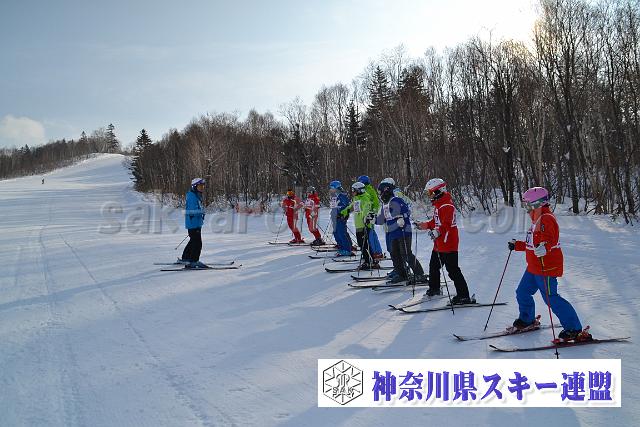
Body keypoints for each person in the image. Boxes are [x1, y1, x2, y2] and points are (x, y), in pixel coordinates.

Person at [508, 186, 590, 341]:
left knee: (551, 298)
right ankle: (527, 319)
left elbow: (550, 238)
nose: (526, 207)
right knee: (522, 292)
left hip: (546, 267)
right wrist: (517, 245)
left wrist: (545, 247)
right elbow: (532, 244)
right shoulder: (536, 219)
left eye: (527, 204)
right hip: (533, 267)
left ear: (537, 203)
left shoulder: (547, 218)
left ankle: (574, 329)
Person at [416, 178, 472, 304]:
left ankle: (464, 296)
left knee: (453, 270)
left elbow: (446, 225)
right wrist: (424, 225)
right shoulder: (439, 205)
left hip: (448, 243)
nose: (430, 196)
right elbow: (435, 222)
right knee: (433, 266)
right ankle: (434, 288)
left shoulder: (447, 205)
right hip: (439, 244)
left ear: (439, 191)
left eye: (431, 193)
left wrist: (437, 232)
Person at [377, 180, 425, 283]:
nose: (380, 194)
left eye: (380, 192)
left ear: (386, 190)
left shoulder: (396, 200)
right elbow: (381, 220)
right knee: (395, 255)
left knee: (406, 254)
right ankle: (402, 274)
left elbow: (407, 211)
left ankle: (419, 274)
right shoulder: (385, 204)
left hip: (403, 231)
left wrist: (402, 217)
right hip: (392, 233)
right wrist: (372, 219)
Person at [341, 182, 378, 270]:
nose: (352, 192)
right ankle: (368, 260)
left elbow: (366, 209)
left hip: (364, 225)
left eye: (354, 190)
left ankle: (369, 261)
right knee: (361, 244)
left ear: (358, 190)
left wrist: (366, 219)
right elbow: (350, 207)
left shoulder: (365, 198)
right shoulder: (356, 198)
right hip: (358, 225)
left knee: (364, 244)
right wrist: (343, 212)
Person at [181, 177, 207, 268]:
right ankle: (193, 261)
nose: (202, 187)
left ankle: (186, 258)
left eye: (203, 186)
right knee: (197, 243)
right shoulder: (192, 196)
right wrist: (201, 211)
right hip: (193, 223)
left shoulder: (196, 195)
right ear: (195, 186)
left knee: (193, 241)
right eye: (200, 186)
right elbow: (192, 211)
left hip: (195, 223)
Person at [358, 175, 384, 260]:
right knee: (367, 234)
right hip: (364, 216)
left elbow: (376, 203)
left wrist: (372, 213)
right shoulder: (364, 190)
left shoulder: (370, 190)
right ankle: (370, 251)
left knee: (371, 234)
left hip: (369, 216)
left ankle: (376, 252)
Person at [329, 180, 353, 256]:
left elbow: (347, 207)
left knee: (341, 232)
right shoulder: (334, 196)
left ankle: (347, 249)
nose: (331, 189)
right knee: (335, 232)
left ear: (336, 188)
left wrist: (343, 214)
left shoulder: (342, 195)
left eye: (332, 188)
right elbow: (334, 206)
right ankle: (341, 247)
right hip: (335, 216)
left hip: (340, 217)